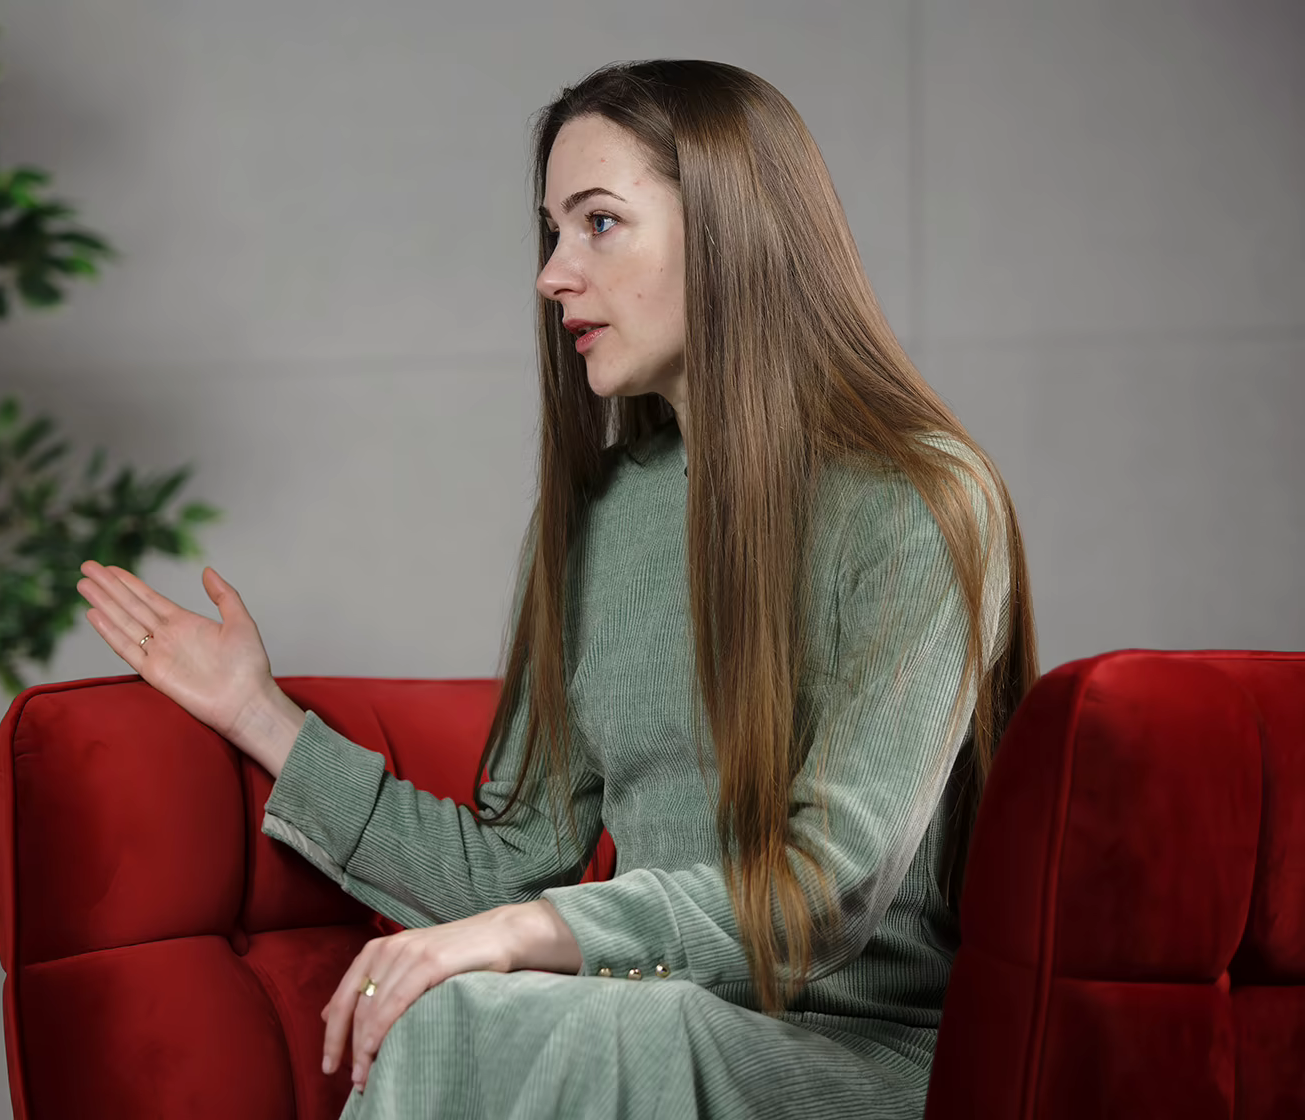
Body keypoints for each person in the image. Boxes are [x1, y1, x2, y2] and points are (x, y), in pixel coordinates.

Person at [76, 58, 1039, 1119]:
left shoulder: (921, 500)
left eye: (599, 223)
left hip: (859, 1064)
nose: (552, 275)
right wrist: (259, 715)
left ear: (730, 229)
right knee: (462, 1012)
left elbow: (829, 888)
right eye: (551, 232)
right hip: (641, 1035)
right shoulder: (595, 518)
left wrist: (525, 937)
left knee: (593, 1021)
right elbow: (513, 872)